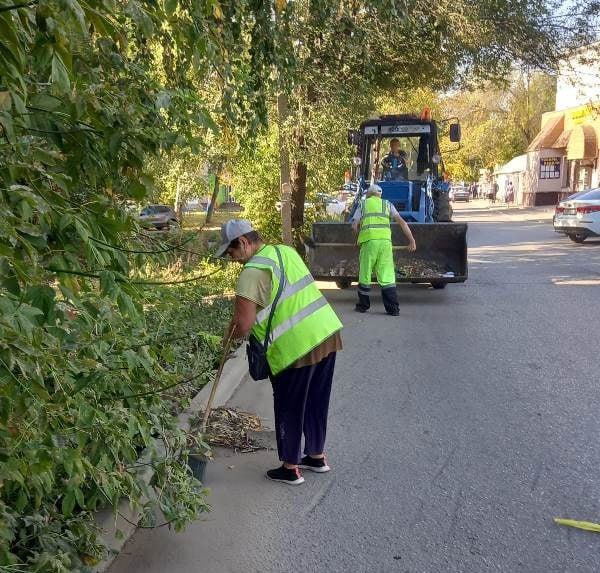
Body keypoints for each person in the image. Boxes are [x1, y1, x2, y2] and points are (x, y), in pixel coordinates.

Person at [217, 220, 343, 486]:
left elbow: (243, 325)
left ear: (242, 242)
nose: (232, 259)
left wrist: (226, 340)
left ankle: (290, 467)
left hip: (295, 346)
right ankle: (316, 456)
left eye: (231, 252)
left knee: (290, 405)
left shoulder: (252, 271)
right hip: (326, 333)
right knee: (316, 401)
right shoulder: (284, 251)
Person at [351, 184, 416, 315]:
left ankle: (363, 305)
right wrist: (412, 240)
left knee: (365, 274)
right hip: (386, 244)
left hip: (369, 243)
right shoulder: (387, 204)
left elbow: (354, 225)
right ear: (380, 195)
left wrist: (358, 238)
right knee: (387, 276)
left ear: (368, 194)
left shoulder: (363, 204)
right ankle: (393, 309)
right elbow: (402, 222)